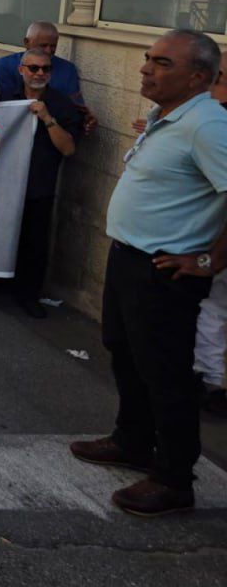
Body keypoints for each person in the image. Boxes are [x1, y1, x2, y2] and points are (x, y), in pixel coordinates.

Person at [70, 29, 227, 517]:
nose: (145, 68)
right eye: (147, 58)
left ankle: (174, 479)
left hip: (165, 271)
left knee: (166, 372)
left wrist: (210, 260)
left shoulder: (208, 125)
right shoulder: (167, 116)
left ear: (197, 77)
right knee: (125, 351)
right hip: (129, 258)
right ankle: (133, 440)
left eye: (161, 63)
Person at [0, 49, 81, 317]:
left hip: (39, 185)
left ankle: (29, 295)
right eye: (33, 68)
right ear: (21, 70)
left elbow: (68, 148)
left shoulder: (62, 105)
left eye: (46, 68)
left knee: (35, 243)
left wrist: (47, 119)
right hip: (4, 185)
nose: (40, 73)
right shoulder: (7, 100)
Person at [0, 21, 96, 133]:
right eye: (43, 45)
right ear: (27, 43)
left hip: (57, 130)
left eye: (53, 46)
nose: (48, 51)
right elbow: (8, 105)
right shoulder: (5, 66)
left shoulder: (67, 69)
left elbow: (75, 108)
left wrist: (85, 120)